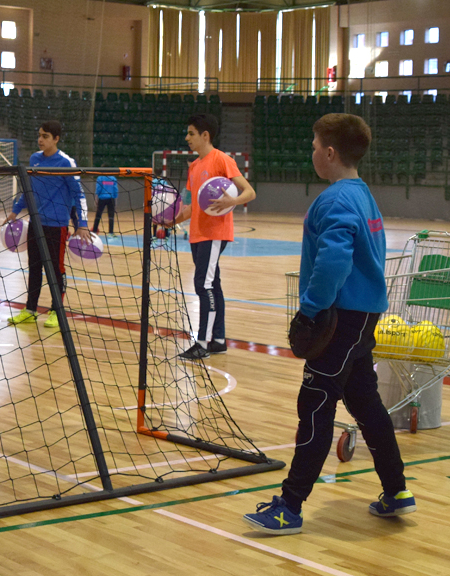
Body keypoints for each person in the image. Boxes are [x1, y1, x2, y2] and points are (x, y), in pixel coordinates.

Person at [243, 113, 414, 535]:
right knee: (367, 406)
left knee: (315, 405)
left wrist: (312, 308)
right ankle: (397, 491)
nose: (312, 151)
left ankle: (289, 507)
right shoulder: (362, 195)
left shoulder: (336, 199)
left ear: (331, 152)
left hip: (341, 317)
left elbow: (334, 259)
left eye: (315, 145)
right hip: (363, 316)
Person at [166, 113, 256, 359]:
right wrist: (169, 222)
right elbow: (191, 207)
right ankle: (217, 340)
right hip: (197, 234)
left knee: (203, 284)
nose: (187, 138)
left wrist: (233, 200)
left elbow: (249, 192)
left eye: (191, 133)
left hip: (215, 233)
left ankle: (202, 343)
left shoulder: (222, 160)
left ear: (205, 135)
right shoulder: (194, 166)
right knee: (212, 284)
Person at [4, 120, 91, 329]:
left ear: (56, 139)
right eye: (39, 135)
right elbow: (29, 190)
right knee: (34, 268)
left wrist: (83, 223)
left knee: (56, 270)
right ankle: (30, 311)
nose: (40, 139)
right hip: (35, 223)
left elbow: (78, 194)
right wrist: (16, 211)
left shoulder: (66, 163)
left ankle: (56, 312)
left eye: (45, 136)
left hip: (57, 226)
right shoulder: (35, 159)